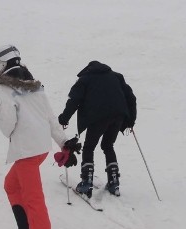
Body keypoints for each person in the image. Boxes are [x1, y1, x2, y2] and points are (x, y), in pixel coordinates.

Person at [0, 44, 77, 229]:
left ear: (2, 63)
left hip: (26, 151)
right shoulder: (35, 86)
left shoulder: (5, 88)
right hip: (39, 149)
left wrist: (6, 129)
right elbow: (50, 117)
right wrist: (64, 142)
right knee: (11, 185)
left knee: (34, 199)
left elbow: (8, 122)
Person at [57, 61, 137, 197]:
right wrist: (130, 120)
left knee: (89, 147)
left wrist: (64, 119)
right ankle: (114, 181)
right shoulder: (116, 76)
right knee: (108, 145)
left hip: (97, 117)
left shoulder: (85, 80)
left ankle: (86, 182)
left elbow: (74, 100)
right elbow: (131, 98)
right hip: (118, 115)